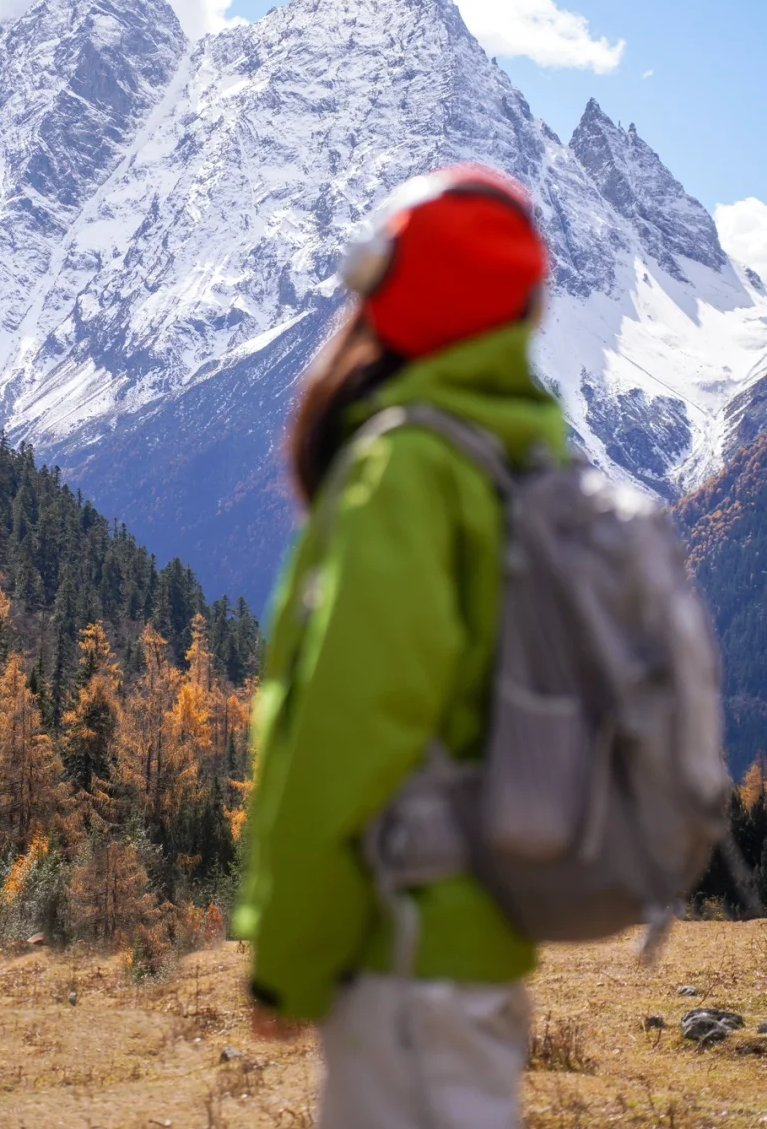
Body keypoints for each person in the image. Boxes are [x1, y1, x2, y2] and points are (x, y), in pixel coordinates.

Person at [234, 165, 563, 1129]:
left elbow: (347, 732)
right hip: (485, 944)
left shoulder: (407, 468)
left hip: (401, 953)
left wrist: (286, 959)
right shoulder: (531, 449)